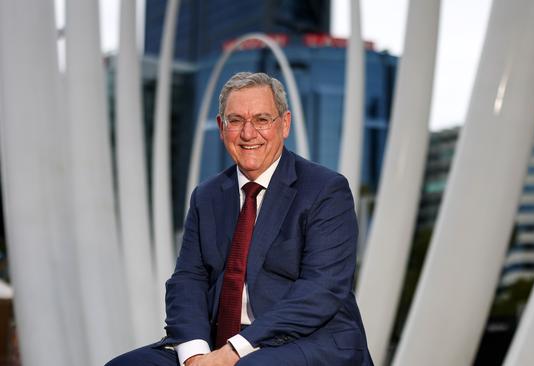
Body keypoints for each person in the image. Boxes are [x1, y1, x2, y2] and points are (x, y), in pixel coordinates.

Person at [106, 72, 373, 366]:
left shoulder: (325, 189)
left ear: (284, 124)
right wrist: (195, 354)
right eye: (236, 121)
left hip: (307, 341)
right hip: (216, 339)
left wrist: (232, 352)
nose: (248, 133)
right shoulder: (206, 196)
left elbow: (320, 290)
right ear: (221, 128)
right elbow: (188, 280)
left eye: (262, 119)